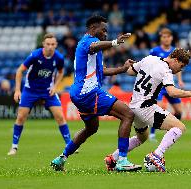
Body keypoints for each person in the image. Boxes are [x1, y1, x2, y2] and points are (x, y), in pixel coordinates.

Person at [50, 15, 141, 172]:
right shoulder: (87, 42)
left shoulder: (96, 49)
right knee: (128, 114)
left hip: (80, 93)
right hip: (88, 92)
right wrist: (114, 42)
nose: (106, 33)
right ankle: (122, 160)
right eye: (103, 30)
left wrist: (123, 68)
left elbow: (103, 71)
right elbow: (94, 46)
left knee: (91, 128)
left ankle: (61, 158)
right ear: (93, 29)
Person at [104, 48, 191, 172]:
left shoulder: (149, 58)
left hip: (134, 107)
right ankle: (156, 156)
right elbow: (172, 92)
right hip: (146, 108)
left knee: (142, 137)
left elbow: (130, 71)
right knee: (179, 127)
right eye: (181, 66)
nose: (180, 70)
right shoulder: (166, 70)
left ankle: (113, 158)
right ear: (176, 60)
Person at [7, 33, 71, 155]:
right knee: (21, 117)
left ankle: (69, 145)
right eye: (48, 44)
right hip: (30, 90)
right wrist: (17, 90)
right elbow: (20, 71)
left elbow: (61, 72)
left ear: (56, 45)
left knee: (60, 117)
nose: (50, 47)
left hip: (48, 91)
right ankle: (14, 147)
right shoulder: (35, 55)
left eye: (53, 44)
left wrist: (55, 86)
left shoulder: (58, 58)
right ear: (43, 44)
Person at [148, 28, 185, 141]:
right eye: (164, 37)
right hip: (158, 85)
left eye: (168, 37)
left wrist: (180, 80)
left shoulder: (175, 51)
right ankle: (152, 134)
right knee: (158, 107)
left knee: (179, 111)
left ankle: (172, 129)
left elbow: (178, 68)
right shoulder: (154, 51)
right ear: (161, 38)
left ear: (171, 38)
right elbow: (149, 65)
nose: (166, 39)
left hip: (169, 85)